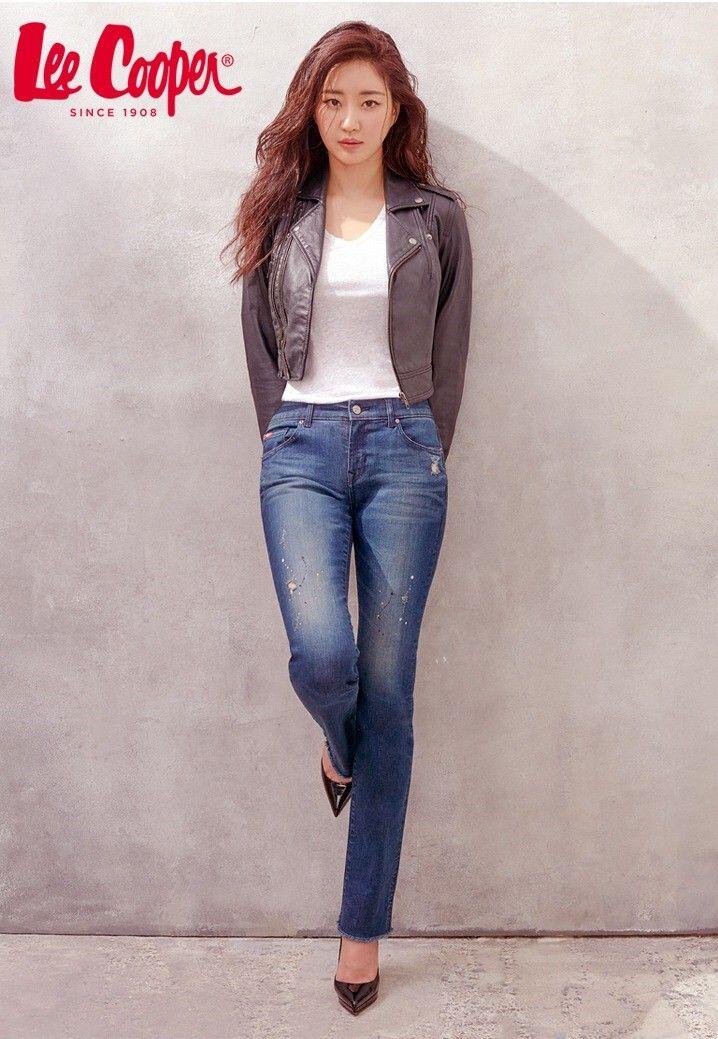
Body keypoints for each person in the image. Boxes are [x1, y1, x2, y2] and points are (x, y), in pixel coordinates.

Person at [224, 19, 473, 1015]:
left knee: (392, 689)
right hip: (302, 446)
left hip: (405, 449)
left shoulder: (436, 217)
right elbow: (257, 341)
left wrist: (424, 442)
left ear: (396, 109)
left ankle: (361, 927)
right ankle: (338, 739)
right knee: (325, 657)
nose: (350, 119)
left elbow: (452, 345)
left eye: (369, 100)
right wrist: (282, 433)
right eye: (333, 101)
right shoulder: (280, 212)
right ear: (312, 109)